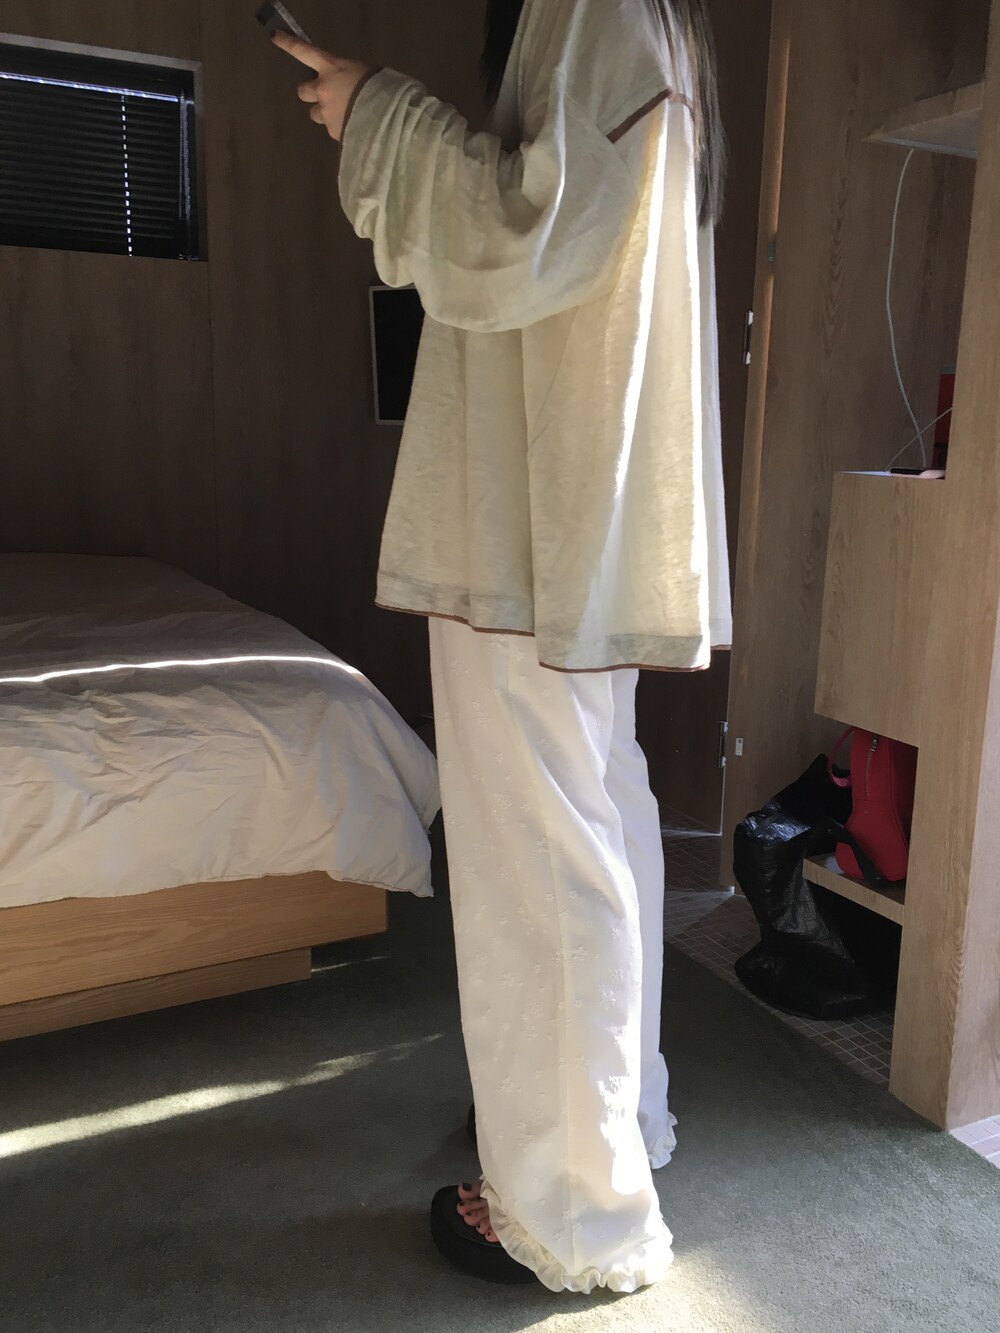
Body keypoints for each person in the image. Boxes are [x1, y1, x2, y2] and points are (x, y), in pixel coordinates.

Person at [272, 0, 731, 1295]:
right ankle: (609, 1130)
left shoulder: (597, 8)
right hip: (576, 499)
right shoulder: (650, 21)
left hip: (541, 507)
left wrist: (378, 115)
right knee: (591, 817)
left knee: (541, 849)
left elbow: (532, 233)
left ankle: (571, 1211)